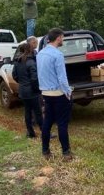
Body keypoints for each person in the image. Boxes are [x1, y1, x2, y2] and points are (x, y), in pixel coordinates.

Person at [37, 28, 73, 161]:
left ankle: (45, 151)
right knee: (62, 123)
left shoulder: (40, 54)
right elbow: (62, 77)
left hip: (45, 92)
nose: (62, 40)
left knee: (47, 122)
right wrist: (68, 92)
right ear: (58, 38)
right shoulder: (57, 55)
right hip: (58, 93)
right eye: (62, 38)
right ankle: (66, 153)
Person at [12, 42, 43, 138]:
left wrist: (22, 83)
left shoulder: (17, 62)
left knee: (27, 112)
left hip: (23, 91)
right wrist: (37, 89)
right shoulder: (31, 62)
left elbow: (14, 75)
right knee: (38, 113)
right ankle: (45, 133)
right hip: (32, 92)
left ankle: (30, 133)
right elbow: (34, 78)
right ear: (30, 50)